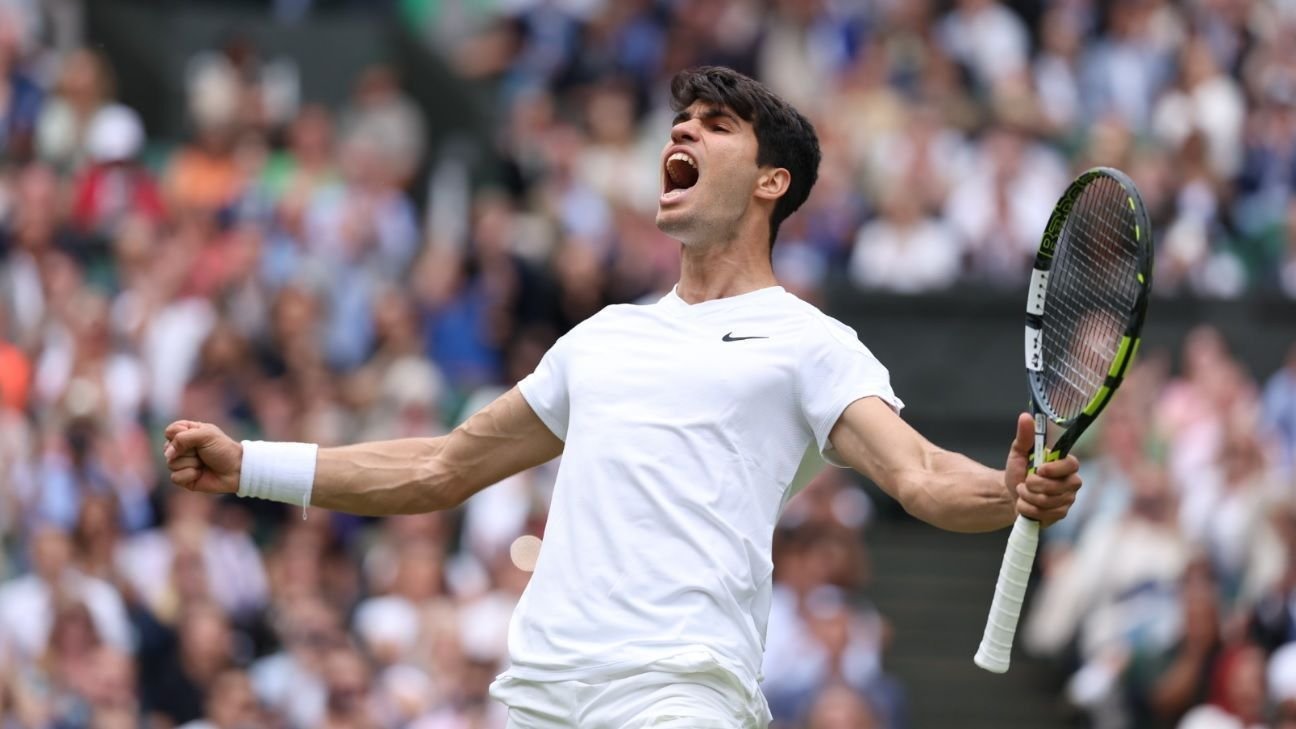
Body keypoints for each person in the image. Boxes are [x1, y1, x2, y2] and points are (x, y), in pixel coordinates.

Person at [162, 66, 1083, 729]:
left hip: (680, 693)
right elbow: (440, 466)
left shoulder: (812, 342)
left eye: (716, 126)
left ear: (773, 182)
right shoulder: (602, 337)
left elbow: (918, 473)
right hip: (541, 696)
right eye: (682, 123)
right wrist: (251, 465)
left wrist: (1009, 491)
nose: (681, 134)